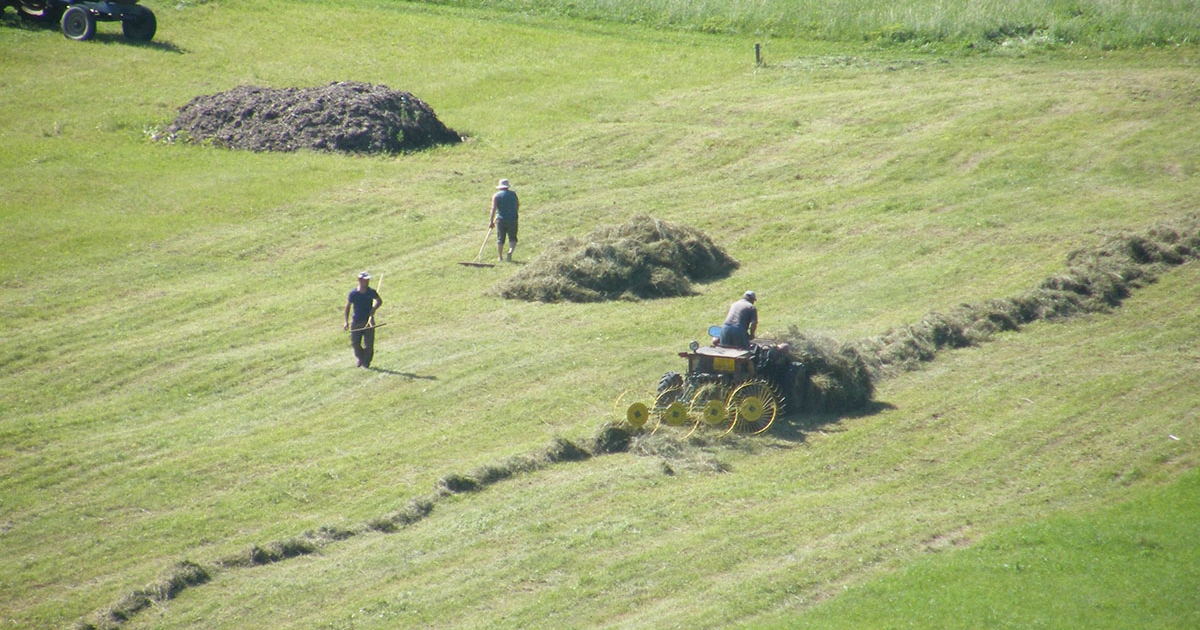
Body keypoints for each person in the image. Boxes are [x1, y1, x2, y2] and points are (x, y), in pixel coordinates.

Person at [343, 271, 383, 368]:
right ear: (359, 280)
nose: (367, 282)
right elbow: (347, 307)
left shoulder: (371, 292)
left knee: (369, 344)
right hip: (356, 321)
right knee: (355, 343)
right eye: (365, 280)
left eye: (368, 280)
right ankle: (361, 357)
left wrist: (374, 309)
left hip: (369, 321)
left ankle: (366, 362)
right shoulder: (353, 294)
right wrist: (346, 322)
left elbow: (379, 301)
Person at [489, 178, 519, 262]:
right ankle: (510, 251)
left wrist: (491, 221)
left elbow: (493, 208)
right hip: (513, 219)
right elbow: (517, 205)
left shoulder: (496, 196)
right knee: (512, 238)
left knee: (500, 238)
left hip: (501, 219)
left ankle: (500, 257)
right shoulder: (513, 194)